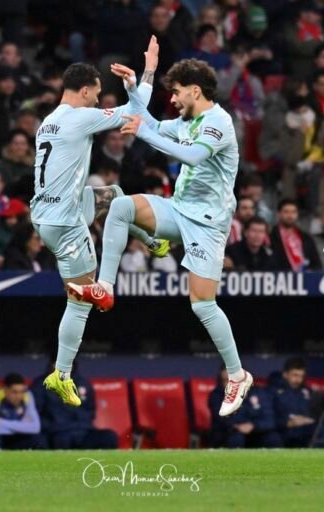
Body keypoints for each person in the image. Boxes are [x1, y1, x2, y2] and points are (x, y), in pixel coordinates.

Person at [80, 58, 255, 417]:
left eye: (176, 92)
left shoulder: (219, 123)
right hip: (179, 209)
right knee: (122, 207)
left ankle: (238, 375)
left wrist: (144, 132)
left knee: (202, 304)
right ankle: (106, 287)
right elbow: (156, 124)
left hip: (208, 224)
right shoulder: (188, 120)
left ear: (195, 90)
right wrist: (134, 85)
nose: (172, 99)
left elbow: (188, 154)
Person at [30, 39, 168, 408]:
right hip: (65, 224)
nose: (97, 100)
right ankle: (61, 374)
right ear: (87, 89)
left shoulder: (49, 122)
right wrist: (143, 76)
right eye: (96, 94)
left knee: (114, 195)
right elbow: (137, 111)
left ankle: (150, 241)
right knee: (84, 300)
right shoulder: (80, 117)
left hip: (52, 212)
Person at [31, 363, 118, 449]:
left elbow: (91, 411)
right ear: (51, 365)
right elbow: (36, 414)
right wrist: (54, 426)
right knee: (61, 440)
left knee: (109, 437)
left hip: (84, 431)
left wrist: (81, 423)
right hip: (57, 432)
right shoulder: (40, 385)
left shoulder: (83, 384)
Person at [208, 366, 281, 448]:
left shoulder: (259, 393)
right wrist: (238, 426)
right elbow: (222, 419)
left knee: (273, 438)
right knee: (236, 438)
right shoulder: (216, 396)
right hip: (231, 433)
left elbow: (269, 419)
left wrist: (254, 425)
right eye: (226, 380)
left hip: (256, 432)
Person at [0, 373, 46, 450]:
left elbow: (35, 428)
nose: (19, 396)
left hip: (13, 437)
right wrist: (21, 427)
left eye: (21, 391)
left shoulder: (27, 395)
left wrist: (1, 422)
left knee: (38, 440)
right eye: (14, 392)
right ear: (5, 389)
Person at [271, 357, 316, 448]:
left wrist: (309, 419)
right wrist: (287, 423)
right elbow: (269, 416)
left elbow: (314, 412)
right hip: (283, 429)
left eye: (301, 376)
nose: (298, 380)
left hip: (304, 428)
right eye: (295, 375)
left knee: (319, 430)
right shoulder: (273, 391)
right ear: (285, 374)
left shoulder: (306, 391)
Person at [270, 199, 322, 271]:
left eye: (293, 212)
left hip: (304, 279)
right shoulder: (271, 237)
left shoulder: (306, 238)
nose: (290, 215)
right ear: (279, 214)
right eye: (286, 212)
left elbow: (317, 264)